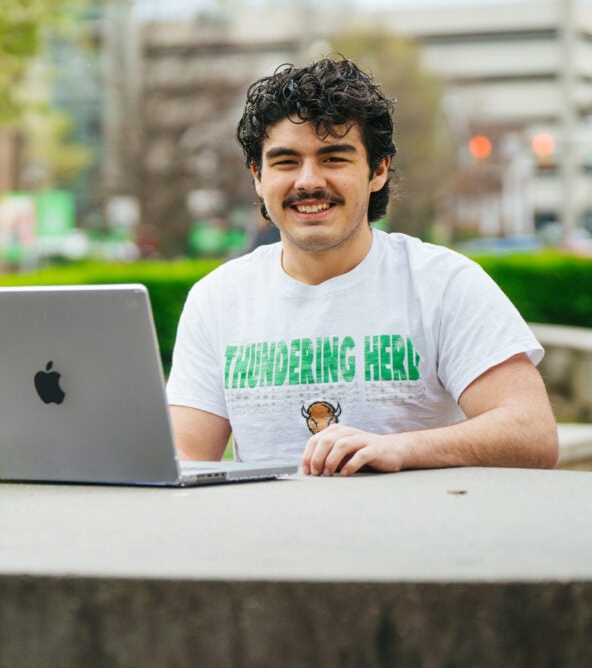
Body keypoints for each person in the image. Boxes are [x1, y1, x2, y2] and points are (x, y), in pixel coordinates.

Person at [166, 56, 558, 478]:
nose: (308, 181)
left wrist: (400, 449)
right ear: (258, 177)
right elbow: (185, 454)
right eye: (285, 162)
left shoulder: (443, 283)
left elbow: (532, 432)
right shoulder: (218, 297)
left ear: (378, 171)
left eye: (333, 158)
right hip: (269, 540)